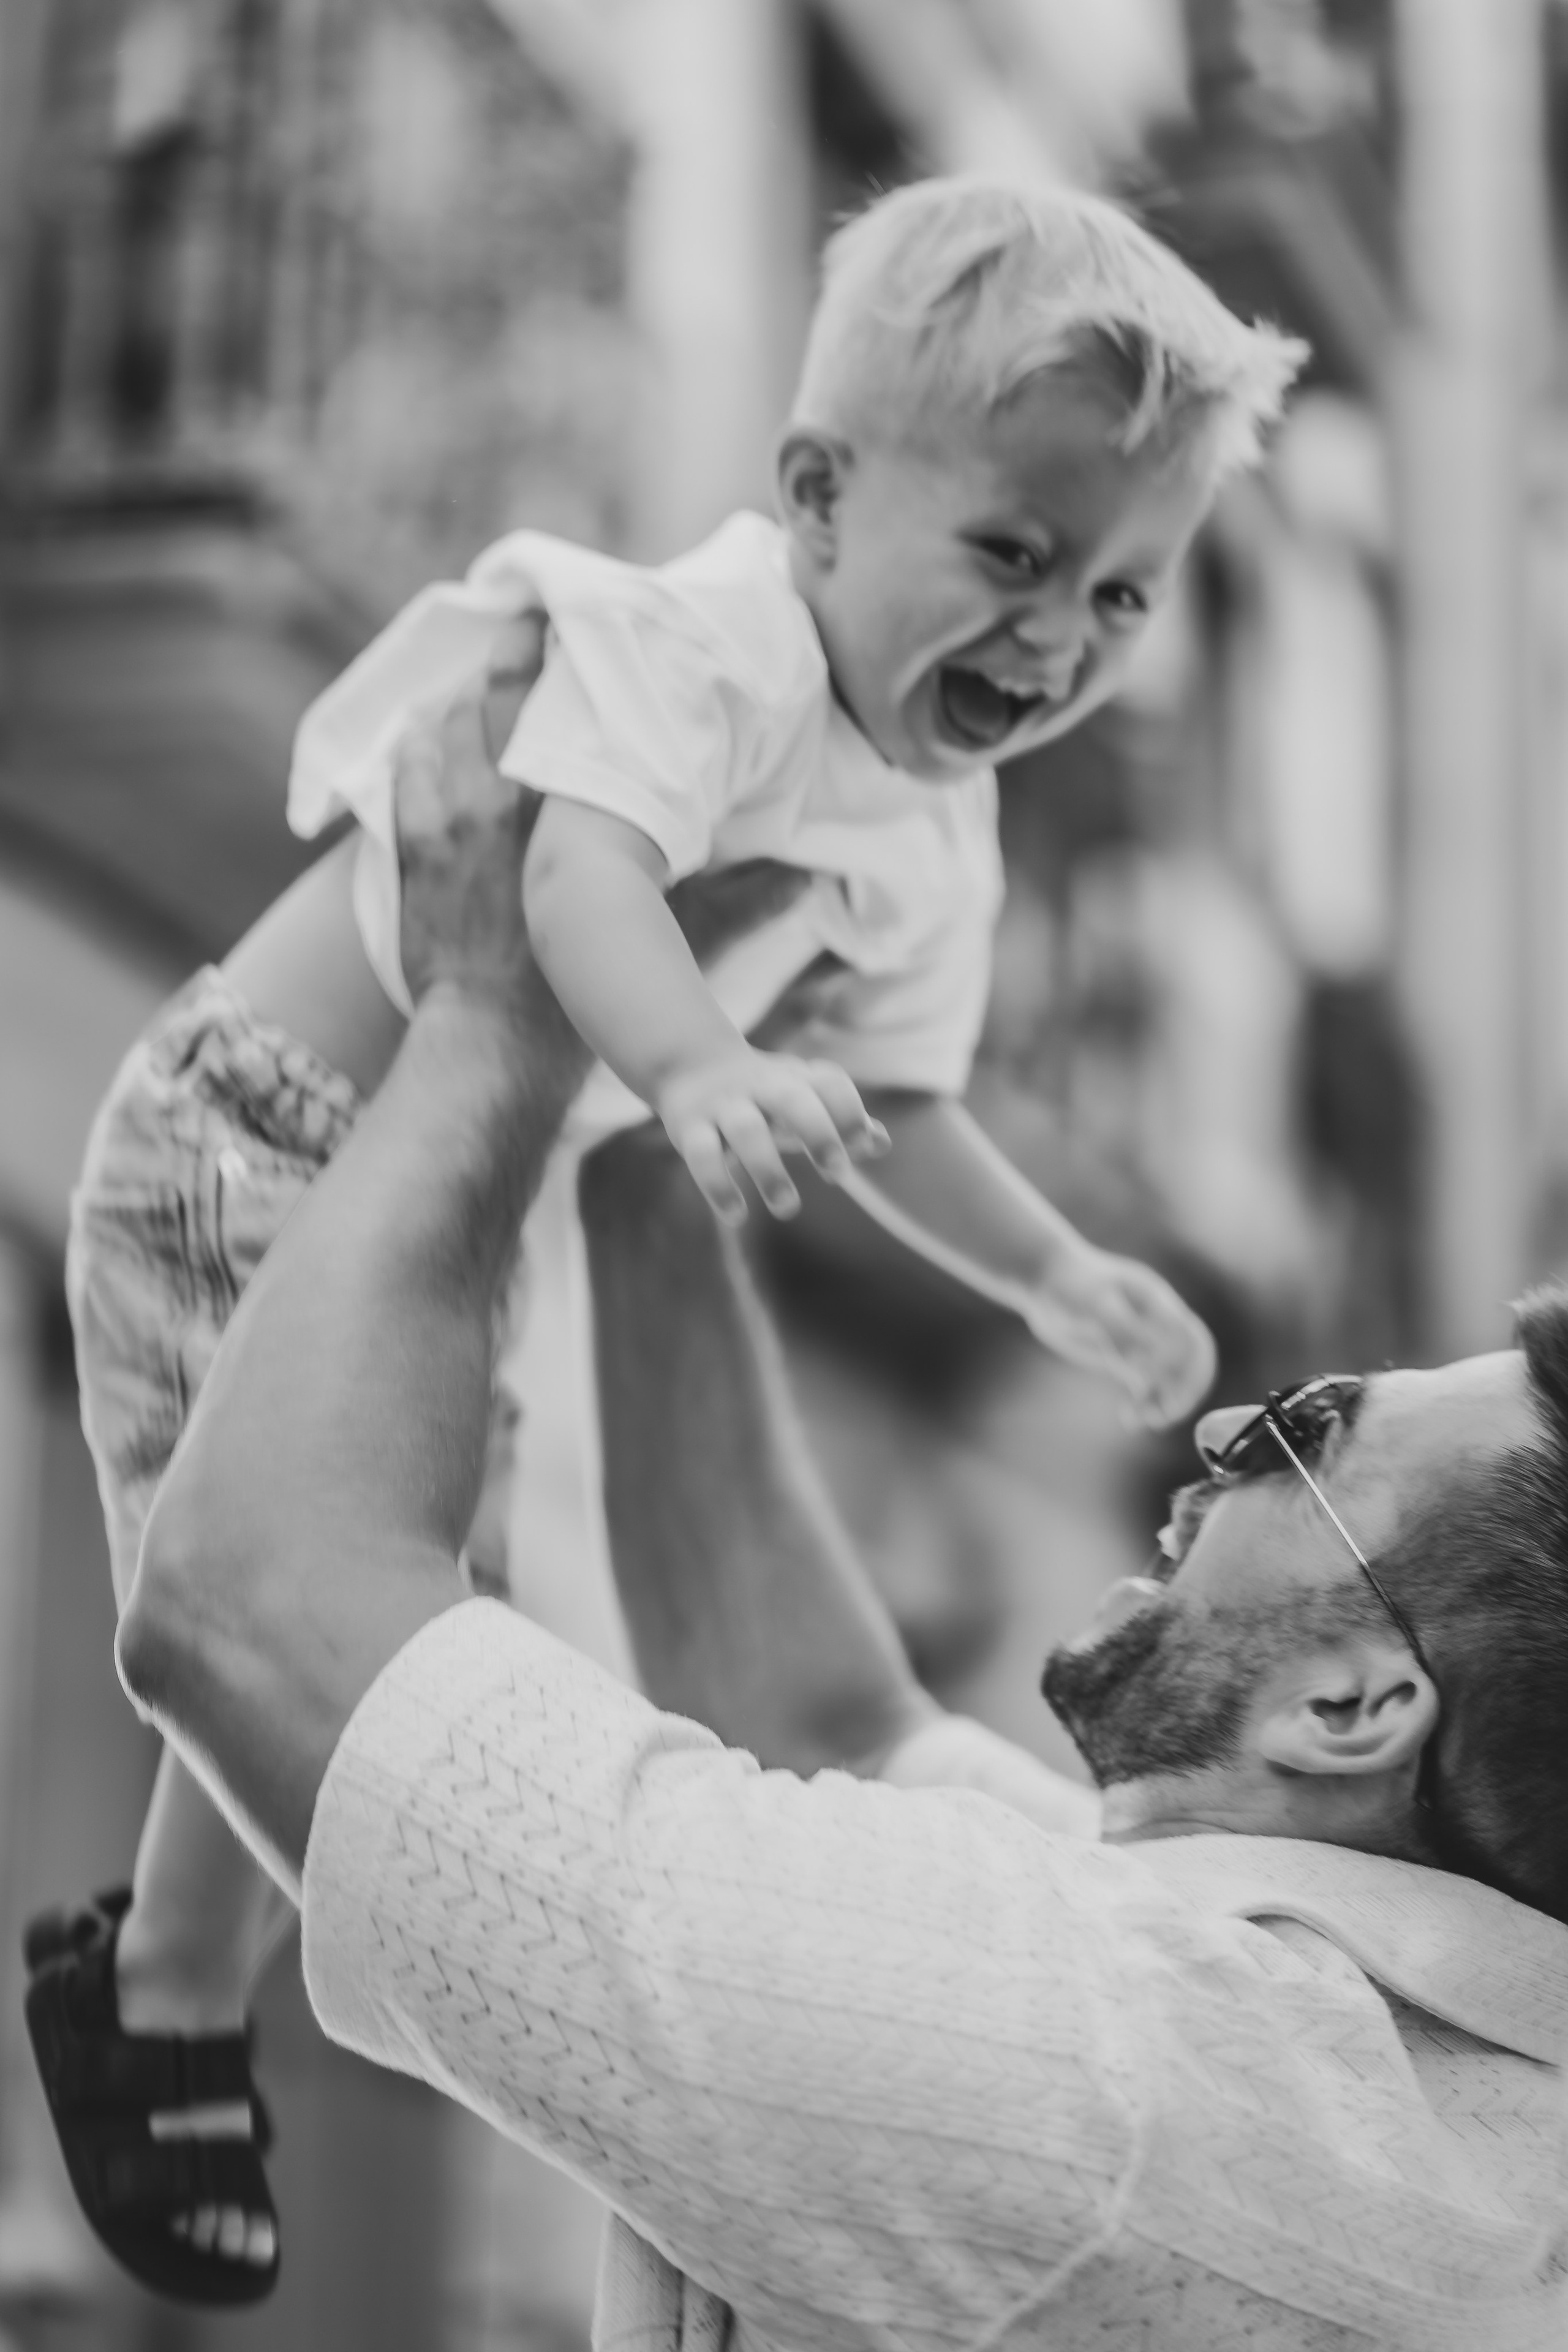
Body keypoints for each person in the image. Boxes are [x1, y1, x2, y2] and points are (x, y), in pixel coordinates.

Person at [34, 175, 1302, 2298]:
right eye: (1013, 554)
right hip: (249, 1136)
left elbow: (903, 1100)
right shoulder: (702, 642)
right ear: (815, 495)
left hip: (449, 1201)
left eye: (1127, 598)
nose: (1059, 639)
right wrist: (701, 1069)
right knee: (279, 1596)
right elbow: (569, 888)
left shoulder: (936, 822)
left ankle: (163, 1976)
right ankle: (156, 1990)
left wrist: (1049, 1273)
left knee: (418, 1627)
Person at [86, 676, 1568, 2350]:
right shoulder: (1363, 2072)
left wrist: (497, 1005)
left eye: (1307, 1434)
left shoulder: (1124, 2091)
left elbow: (250, 1602)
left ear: (1356, 1707)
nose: (1228, 1425)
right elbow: (829, 1727)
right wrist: (654, 1110)